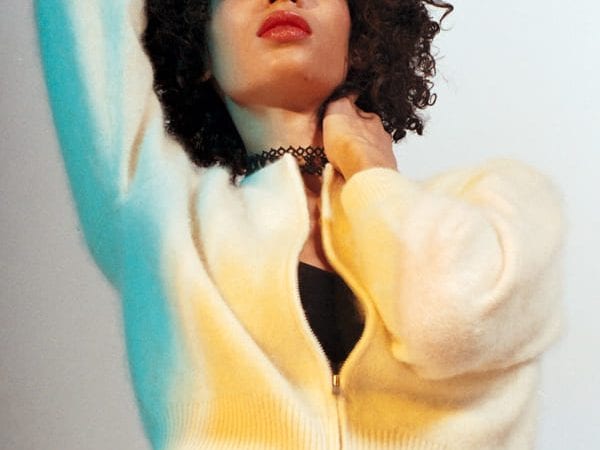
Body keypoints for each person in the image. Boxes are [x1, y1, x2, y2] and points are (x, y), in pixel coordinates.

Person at [35, 0, 565, 449]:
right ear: (200, 52)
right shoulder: (166, 220)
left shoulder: (502, 205)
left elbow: (445, 321)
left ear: (360, 32)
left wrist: (370, 172)